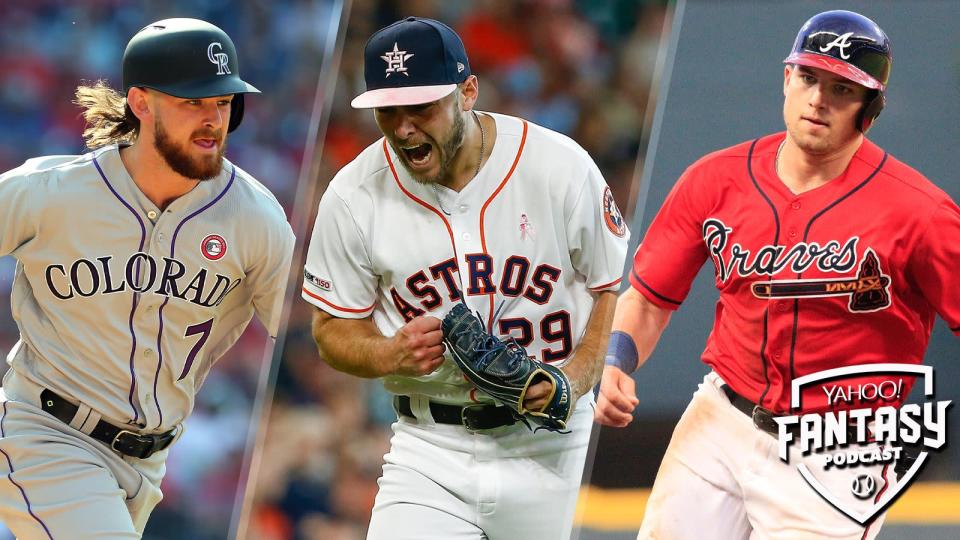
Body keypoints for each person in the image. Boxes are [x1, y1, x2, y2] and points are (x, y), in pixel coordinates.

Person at [596, 10, 960, 540]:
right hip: (721, 418)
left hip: (838, 450)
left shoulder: (922, 213)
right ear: (787, 78)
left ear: (870, 108)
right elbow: (649, 298)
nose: (818, 99)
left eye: (841, 88)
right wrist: (616, 359)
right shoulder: (715, 178)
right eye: (809, 77)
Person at [302, 16, 628, 540]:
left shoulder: (558, 166)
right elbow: (331, 329)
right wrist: (389, 354)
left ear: (468, 91)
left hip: (554, 449)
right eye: (388, 110)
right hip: (430, 451)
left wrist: (573, 378)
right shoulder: (353, 195)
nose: (404, 127)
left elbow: (611, 288)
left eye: (422, 107)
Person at [0, 18, 294, 538]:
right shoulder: (50, 192)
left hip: (149, 465)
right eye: (192, 102)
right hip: (45, 436)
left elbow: (312, 328)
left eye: (223, 103)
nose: (213, 120)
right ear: (140, 102)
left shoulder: (257, 219)